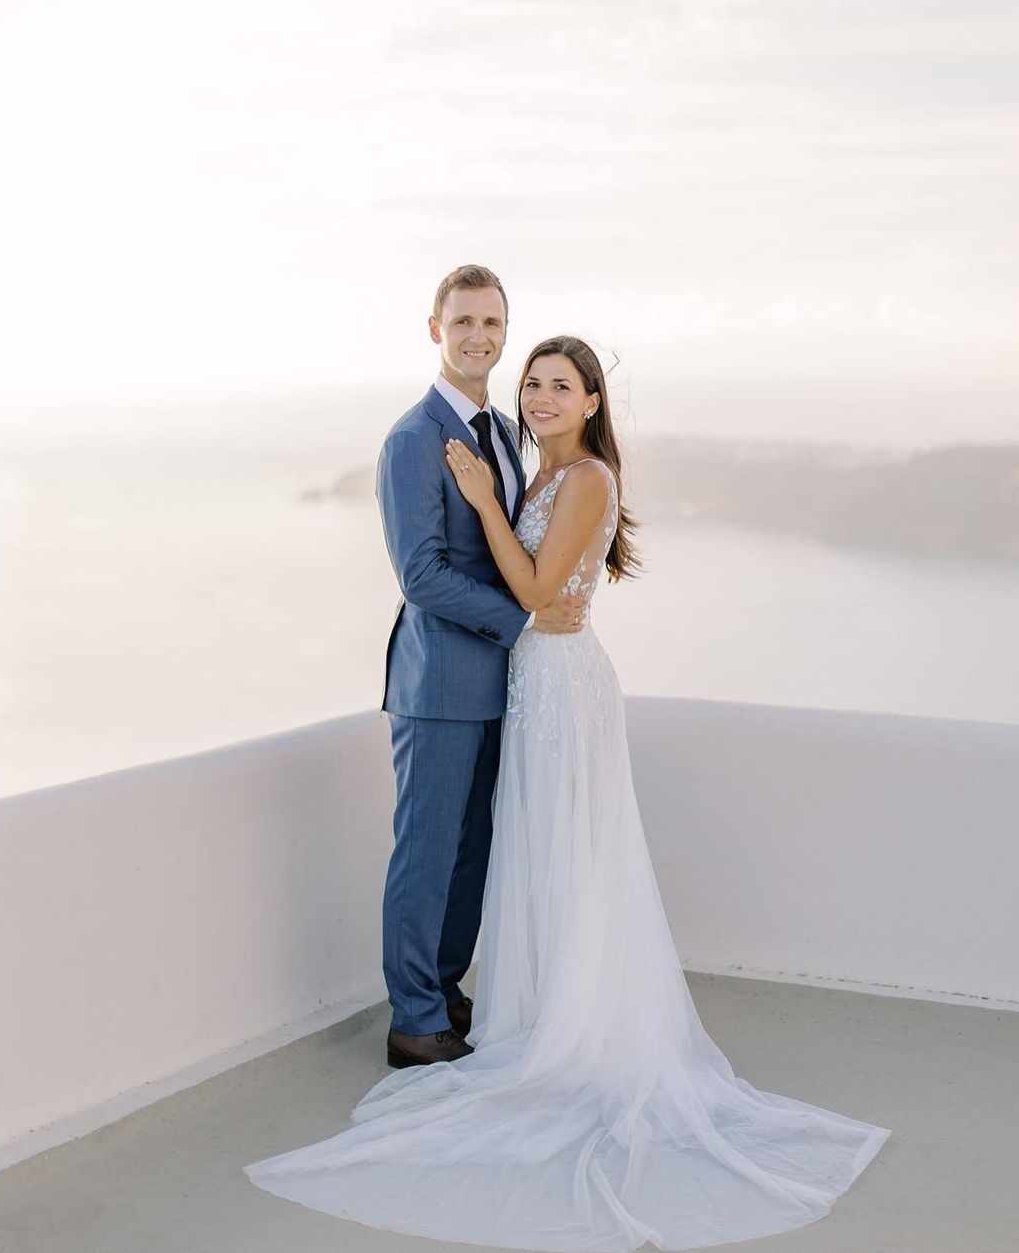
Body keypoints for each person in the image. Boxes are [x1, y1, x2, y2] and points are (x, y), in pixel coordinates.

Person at [245, 336, 892, 1250]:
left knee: (569, 853)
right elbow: (488, 582)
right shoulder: (529, 467)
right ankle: (532, 1008)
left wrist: (484, 504)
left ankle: (574, 1025)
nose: (541, 397)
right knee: (533, 848)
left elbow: (541, 587)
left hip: (561, 687)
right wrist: (498, 516)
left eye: (561, 386)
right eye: (533, 384)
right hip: (527, 683)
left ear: (592, 402)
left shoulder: (582, 478)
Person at [369, 264, 584, 1071]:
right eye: (462, 322)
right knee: (426, 852)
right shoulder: (412, 440)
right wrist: (525, 618)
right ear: (436, 330)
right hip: (437, 684)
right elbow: (421, 576)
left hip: (499, 682)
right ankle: (413, 1020)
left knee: (471, 852)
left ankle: (445, 990)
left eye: (491, 323)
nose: (477, 337)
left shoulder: (499, 429)